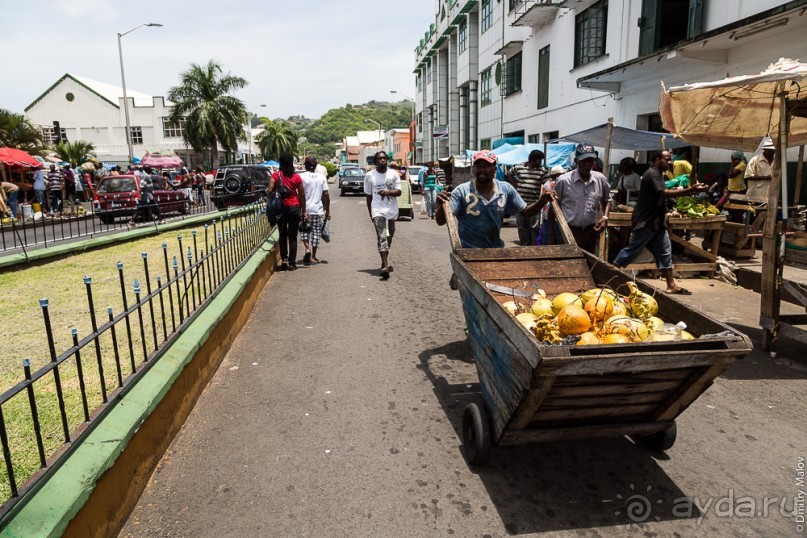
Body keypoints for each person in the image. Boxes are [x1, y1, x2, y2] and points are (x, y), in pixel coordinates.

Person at [612, 150, 708, 295]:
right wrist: (690, 190)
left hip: (656, 222)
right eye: (667, 159)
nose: (670, 162)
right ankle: (609, 273)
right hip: (646, 221)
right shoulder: (652, 174)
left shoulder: (658, 175)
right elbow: (663, 193)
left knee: (665, 253)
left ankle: (671, 285)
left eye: (670, 160)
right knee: (632, 250)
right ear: (657, 159)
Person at [435, 150, 553, 248]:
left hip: (495, 251)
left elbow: (526, 211)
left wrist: (541, 201)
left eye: (486, 166)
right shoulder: (461, 191)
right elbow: (441, 221)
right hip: (468, 252)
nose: (482, 170)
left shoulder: (505, 189)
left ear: (495, 168)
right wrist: (440, 206)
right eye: (478, 166)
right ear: (473, 169)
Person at [553, 143, 612, 253]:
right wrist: (551, 235)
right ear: (576, 161)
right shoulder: (564, 181)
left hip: (590, 232)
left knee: (587, 264)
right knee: (569, 265)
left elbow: (607, 200)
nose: (587, 164)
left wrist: (605, 218)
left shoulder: (600, 179)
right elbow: (554, 206)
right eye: (584, 161)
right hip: (568, 231)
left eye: (590, 160)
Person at [364, 151, 401, 278]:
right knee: (382, 236)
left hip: (391, 211)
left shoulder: (393, 174)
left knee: (389, 236)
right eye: (380, 159)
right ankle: (385, 265)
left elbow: (399, 192)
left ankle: (383, 261)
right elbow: (368, 196)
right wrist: (371, 213)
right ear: (375, 161)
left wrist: (388, 192)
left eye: (385, 158)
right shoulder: (369, 176)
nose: (383, 160)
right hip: (377, 210)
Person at [270, 152, 306, 270]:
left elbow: (270, 191)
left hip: (280, 209)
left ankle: (284, 259)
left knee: (282, 234)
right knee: (293, 237)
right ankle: (292, 262)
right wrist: (304, 211)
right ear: (291, 162)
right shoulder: (296, 177)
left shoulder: (276, 175)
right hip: (294, 207)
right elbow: (301, 195)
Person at [506, 149, 548, 245]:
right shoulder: (519, 167)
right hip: (520, 204)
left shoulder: (542, 171)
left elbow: (546, 183)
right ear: (534, 159)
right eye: (539, 160)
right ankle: (525, 247)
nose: (540, 162)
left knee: (534, 228)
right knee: (522, 227)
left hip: (535, 204)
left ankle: (534, 247)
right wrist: (515, 185)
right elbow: (509, 173)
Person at [299, 156, 330, 265]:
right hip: (317, 210)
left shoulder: (301, 177)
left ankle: (307, 248)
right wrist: (328, 211)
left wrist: (303, 210)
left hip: (305, 209)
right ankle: (314, 256)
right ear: (316, 165)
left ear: (305, 165)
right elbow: (326, 194)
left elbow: (300, 194)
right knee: (316, 231)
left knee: (304, 230)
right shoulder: (321, 178)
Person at [536, 165, 565, 245]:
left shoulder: (546, 184)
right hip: (556, 216)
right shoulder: (558, 183)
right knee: (556, 238)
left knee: (546, 238)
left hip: (546, 216)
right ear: (557, 175)